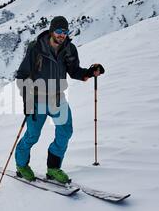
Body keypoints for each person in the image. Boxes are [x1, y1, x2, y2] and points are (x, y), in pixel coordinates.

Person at [15, 16, 105, 183]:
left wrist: (90, 73)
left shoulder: (69, 49)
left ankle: (54, 168)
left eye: (65, 32)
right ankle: (21, 165)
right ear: (51, 31)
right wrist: (27, 101)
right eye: (58, 31)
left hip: (58, 98)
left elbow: (74, 71)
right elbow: (22, 75)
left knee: (65, 132)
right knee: (33, 135)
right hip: (37, 99)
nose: (62, 35)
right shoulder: (36, 48)